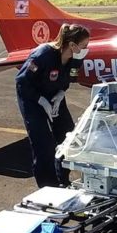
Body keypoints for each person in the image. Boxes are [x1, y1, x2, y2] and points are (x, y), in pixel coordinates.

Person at [16, 23, 90, 187]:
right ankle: (48, 187)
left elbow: (69, 79)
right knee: (44, 146)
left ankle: (62, 180)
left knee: (68, 138)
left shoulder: (76, 58)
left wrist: (60, 93)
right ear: (72, 45)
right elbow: (22, 82)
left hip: (54, 96)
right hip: (32, 99)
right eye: (84, 46)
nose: (86, 49)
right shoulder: (43, 55)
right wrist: (40, 100)